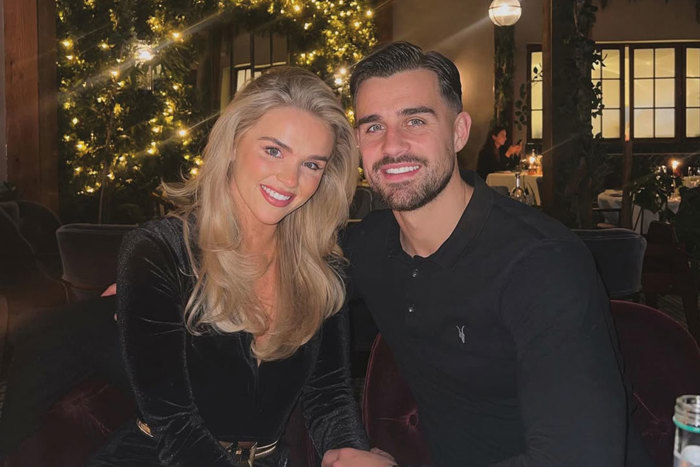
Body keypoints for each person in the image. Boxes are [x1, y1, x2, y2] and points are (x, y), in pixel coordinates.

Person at [324, 42, 652, 466]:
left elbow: (580, 458)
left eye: (416, 120)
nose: (392, 146)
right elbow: (293, 286)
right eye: (373, 127)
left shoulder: (540, 263)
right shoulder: (370, 243)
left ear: (459, 131)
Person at [86, 67, 384, 466]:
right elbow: (174, 424)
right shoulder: (161, 251)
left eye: (312, 164)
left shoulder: (322, 266)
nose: (289, 179)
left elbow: (327, 393)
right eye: (273, 150)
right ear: (232, 144)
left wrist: (351, 451)